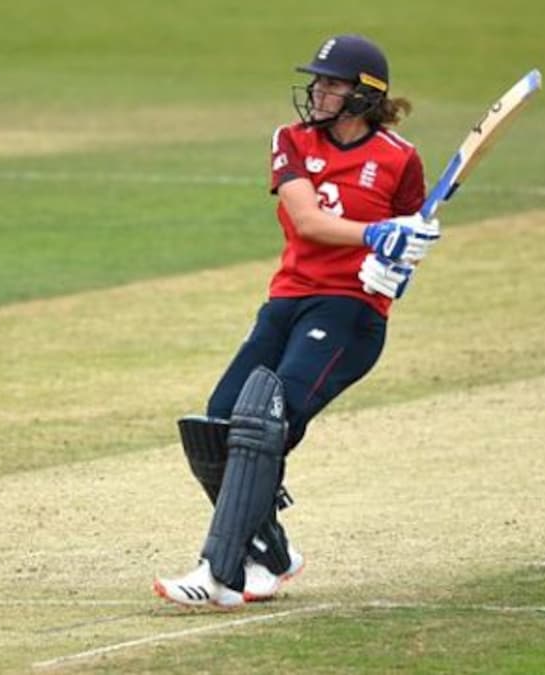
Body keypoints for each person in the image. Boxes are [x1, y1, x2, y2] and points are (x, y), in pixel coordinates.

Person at [153, 34, 441, 609]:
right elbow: (307, 221)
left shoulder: (400, 158)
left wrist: (400, 266)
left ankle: (219, 572)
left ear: (363, 94)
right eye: (318, 80)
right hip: (288, 300)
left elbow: (409, 241)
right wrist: (375, 235)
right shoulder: (290, 141)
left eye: (332, 83)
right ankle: (273, 555)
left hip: (350, 313)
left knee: (265, 420)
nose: (318, 90)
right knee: (218, 421)